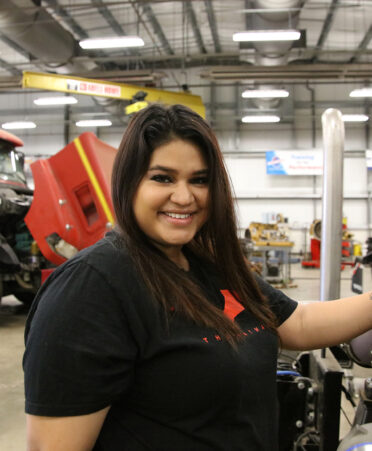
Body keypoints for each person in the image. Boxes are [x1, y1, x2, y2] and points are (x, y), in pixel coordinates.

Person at [24, 104, 372, 451]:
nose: (184, 196)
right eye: (162, 177)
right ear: (129, 181)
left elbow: (299, 322)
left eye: (199, 180)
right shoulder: (91, 289)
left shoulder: (209, 265)